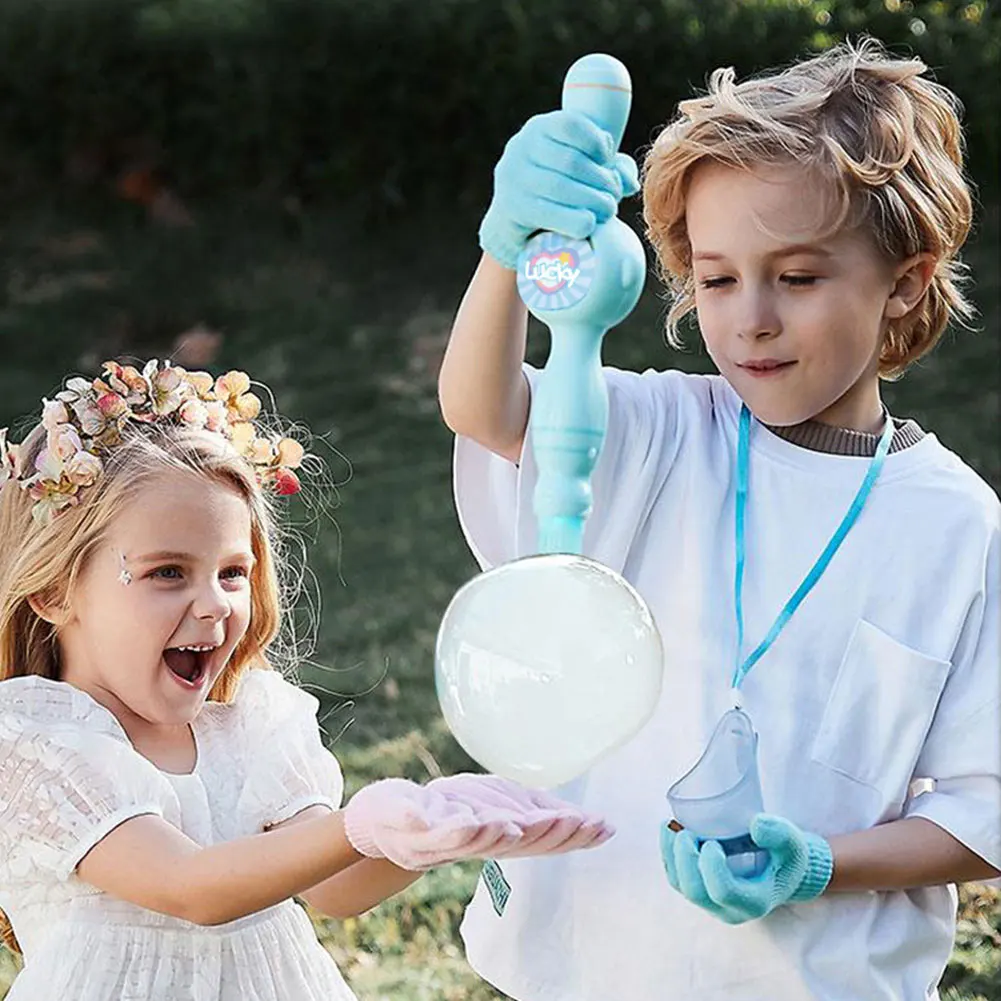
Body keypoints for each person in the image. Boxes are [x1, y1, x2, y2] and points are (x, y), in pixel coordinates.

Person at [438, 39, 1000, 1001]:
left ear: (903, 282)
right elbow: (485, 409)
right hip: (582, 964)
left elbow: (983, 812)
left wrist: (817, 863)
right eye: (717, 278)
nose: (750, 320)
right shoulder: (667, 430)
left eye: (798, 276)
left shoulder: (957, 527)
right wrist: (506, 245)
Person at [0, 359, 613, 1001]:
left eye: (233, 572)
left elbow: (334, 886)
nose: (214, 604)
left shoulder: (251, 723)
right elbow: (191, 887)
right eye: (167, 573)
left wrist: (434, 824)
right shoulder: (39, 742)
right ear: (52, 591)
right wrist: (361, 824)